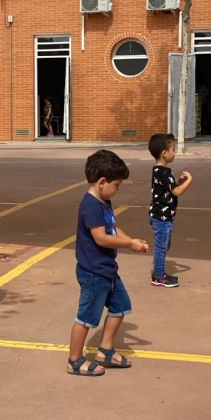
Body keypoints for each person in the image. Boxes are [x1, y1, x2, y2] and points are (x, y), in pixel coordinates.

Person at [67, 150, 149, 377]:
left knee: (120, 307)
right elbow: (101, 237)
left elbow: (112, 227)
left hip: (107, 270)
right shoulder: (91, 205)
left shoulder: (104, 202)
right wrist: (129, 245)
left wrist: (131, 240)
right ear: (102, 182)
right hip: (93, 273)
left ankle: (104, 350)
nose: (118, 189)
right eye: (117, 184)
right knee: (85, 318)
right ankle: (74, 360)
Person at [148, 133, 193, 288]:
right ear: (165, 153)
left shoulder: (157, 171)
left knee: (164, 246)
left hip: (161, 216)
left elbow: (168, 189)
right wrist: (189, 181)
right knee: (161, 247)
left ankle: (158, 270)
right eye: (173, 149)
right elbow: (177, 192)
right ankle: (158, 276)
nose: (175, 152)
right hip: (162, 217)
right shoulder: (164, 172)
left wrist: (178, 181)